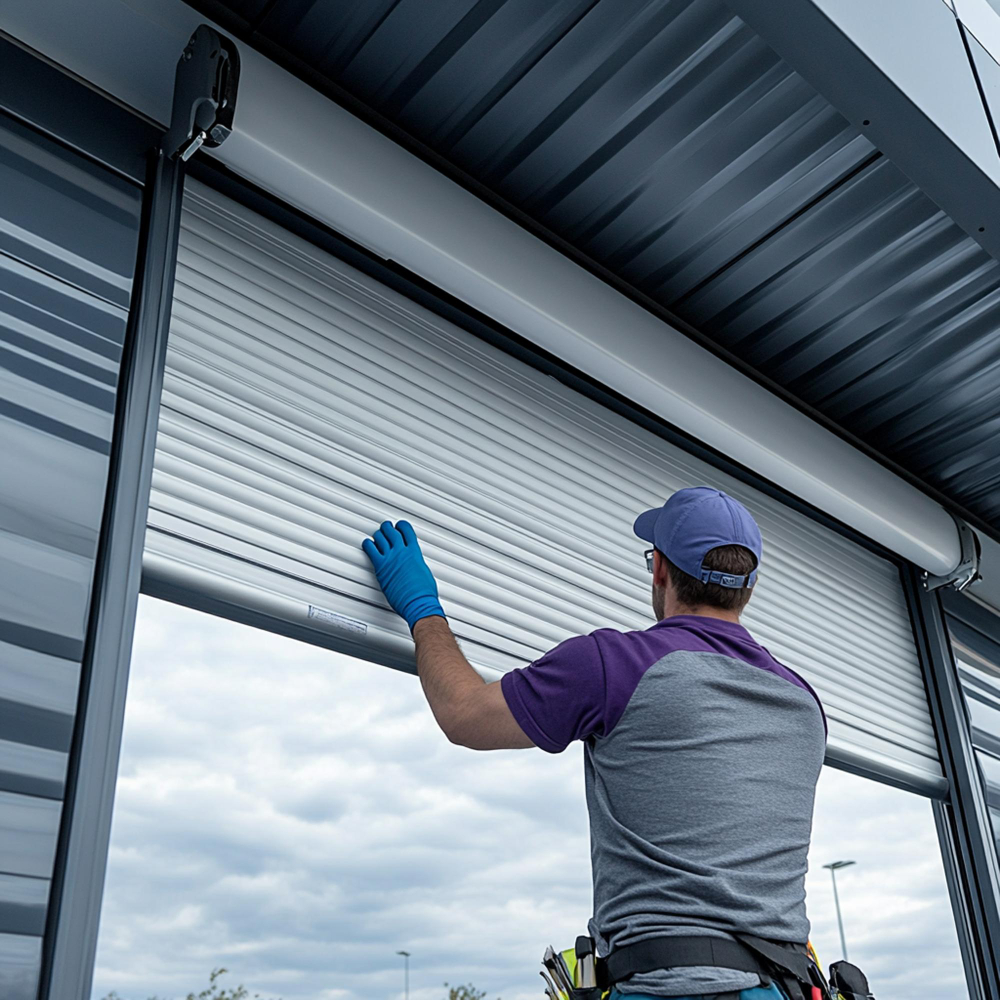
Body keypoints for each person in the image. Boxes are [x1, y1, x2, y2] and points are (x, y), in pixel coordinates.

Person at [362, 486, 827, 1000]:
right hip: (789, 986)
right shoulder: (804, 704)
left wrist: (422, 608)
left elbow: (463, 714)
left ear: (661, 570)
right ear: (749, 588)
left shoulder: (615, 664)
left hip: (672, 989)